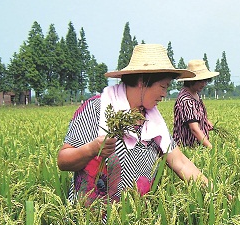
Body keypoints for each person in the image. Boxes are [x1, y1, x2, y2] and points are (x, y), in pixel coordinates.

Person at [57, 44, 209, 206]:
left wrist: (214, 192)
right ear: (142, 81)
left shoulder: (153, 121)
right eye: (163, 86)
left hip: (133, 222)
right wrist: (91, 149)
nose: (165, 94)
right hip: (90, 220)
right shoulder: (97, 109)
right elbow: (63, 161)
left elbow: (180, 162)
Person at [173, 59, 219, 149]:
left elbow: (196, 116)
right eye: (200, 81)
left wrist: (206, 121)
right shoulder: (187, 100)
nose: (204, 84)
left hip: (198, 146)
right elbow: (194, 129)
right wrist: (210, 148)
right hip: (188, 148)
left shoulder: (195, 94)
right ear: (191, 81)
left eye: (205, 81)